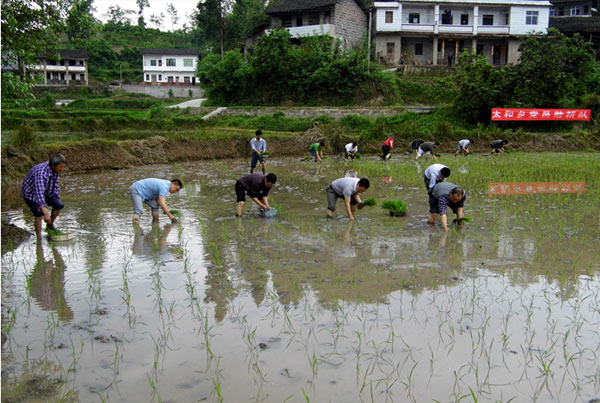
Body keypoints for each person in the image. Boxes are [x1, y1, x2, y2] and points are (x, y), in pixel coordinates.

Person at [21, 154, 67, 239]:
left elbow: (54, 186)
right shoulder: (41, 173)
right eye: (60, 167)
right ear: (53, 166)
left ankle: (49, 226)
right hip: (31, 194)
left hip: (46, 191)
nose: (62, 169)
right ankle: (39, 239)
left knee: (59, 205)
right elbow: (39, 193)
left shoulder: (55, 170)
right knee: (40, 215)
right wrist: (46, 213)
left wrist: (56, 197)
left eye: (63, 167)